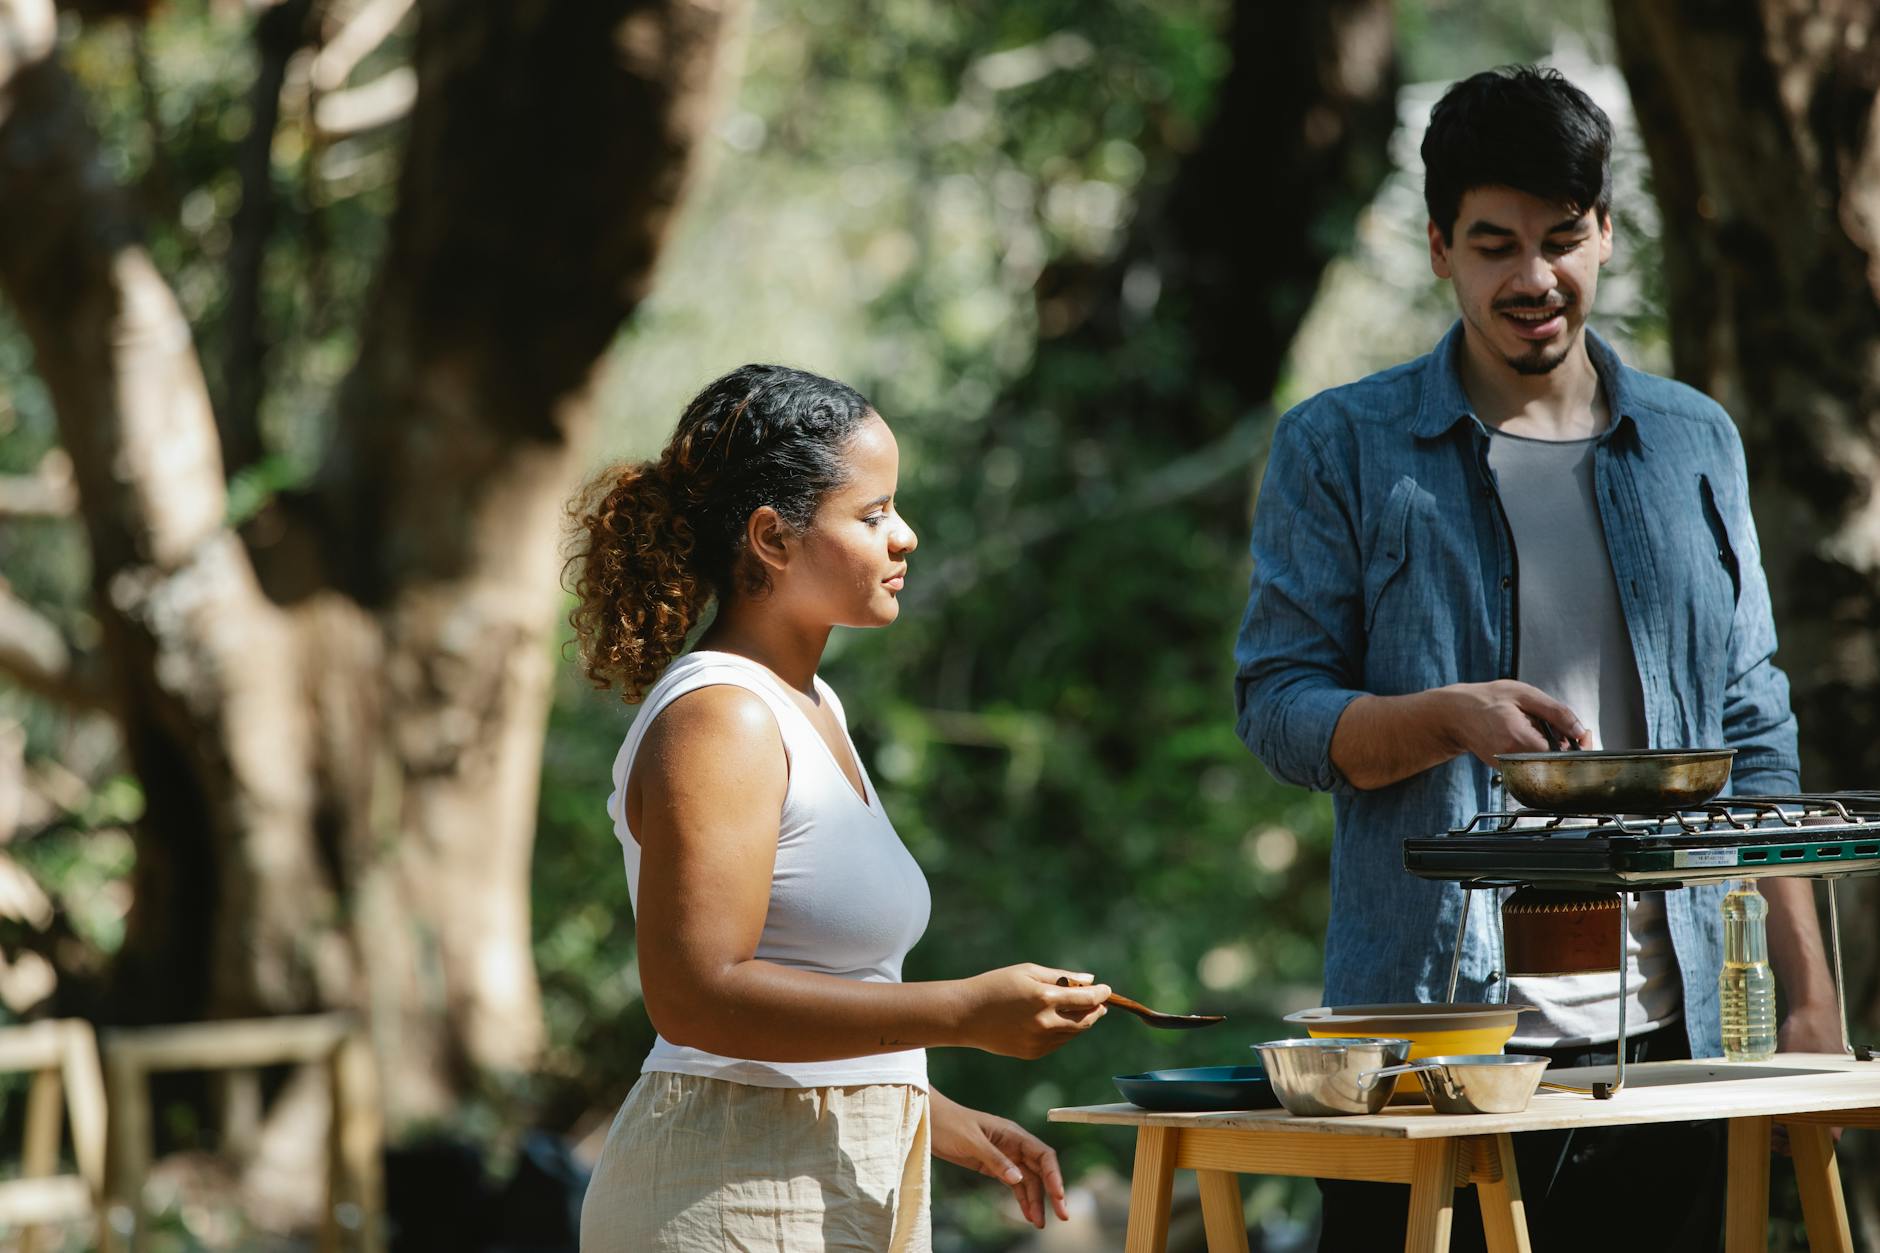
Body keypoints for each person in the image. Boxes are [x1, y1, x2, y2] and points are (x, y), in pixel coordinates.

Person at [1232, 66, 1841, 1251]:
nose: (1532, 279)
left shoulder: (1690, 442)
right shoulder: (1339, 445)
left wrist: (1808, 998)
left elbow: (1752, 733)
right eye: (1493, 243)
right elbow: (1277, 707)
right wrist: (1442, 717)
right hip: (1427, 1049)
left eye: (1561, 239)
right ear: (1436, 250)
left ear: (1605, 233)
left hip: (1668, 1046)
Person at [569, 364, 1111, 1252]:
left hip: (818, 1184)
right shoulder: (723, 715)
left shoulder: (814, 704)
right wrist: (964, 1013)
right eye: (872, 514)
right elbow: (697, 997)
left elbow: (802, 995)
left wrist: (923, 1105)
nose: (906, 536)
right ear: (772, 539)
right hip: (726, 1194)